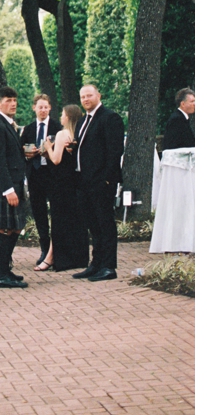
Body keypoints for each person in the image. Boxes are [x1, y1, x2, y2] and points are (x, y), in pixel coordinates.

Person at [71, 84, 125, 283]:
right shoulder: (83, 120)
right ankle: (96, 263)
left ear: (98, 95)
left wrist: (107, 179)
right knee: (92, 224)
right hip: (84, 181)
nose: (86, 99)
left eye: (89, 95)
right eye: (83, 96)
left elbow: (114, 151)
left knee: (105, 223)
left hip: (101, 181)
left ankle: (109, 266)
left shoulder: (110, 118)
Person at [0, 89, 28, 289]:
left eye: (14, 100)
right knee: (4, 228)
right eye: (8, 100)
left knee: (16, 227)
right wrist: (8, 189)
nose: (13, 104)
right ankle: (1, 275)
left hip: (16, 181)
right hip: (7, 184)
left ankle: (5, 269)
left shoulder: (8, 124)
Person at [42, 103, 89, 273]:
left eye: (62, 114)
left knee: (59, 220)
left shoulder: (62, 134)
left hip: (60, 183)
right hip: (74, 182)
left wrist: (47, 148)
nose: (60, 117)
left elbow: (56, 160)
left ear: (67, 117)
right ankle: (76, 257)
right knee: (74, 220)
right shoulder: (78, 134)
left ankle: (56, 258)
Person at [20, 93, 61, 269]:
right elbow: (20, 151)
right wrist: (27, 153)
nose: (43, 110)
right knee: (39, 213)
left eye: (46, 107)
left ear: (50, 108)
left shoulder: (58, 128)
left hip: (52, 175)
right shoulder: (28, 130)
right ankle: (44, 250)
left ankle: (56, 251)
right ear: (34, 108)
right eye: (40, 107)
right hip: (35, 175)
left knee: (56, 213)